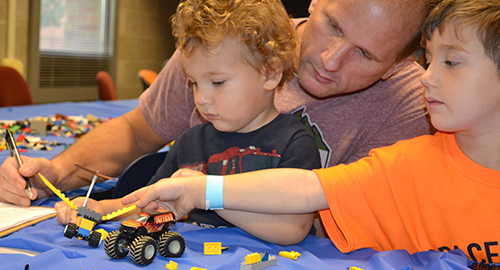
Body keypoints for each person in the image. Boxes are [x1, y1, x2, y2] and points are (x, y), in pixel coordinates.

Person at [122, 0, 500, 263]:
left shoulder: (404, 135)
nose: (428, 78)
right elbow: (307, 189)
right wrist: (200, 188)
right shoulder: (404, 164)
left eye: (451, 62)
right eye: (430, 61)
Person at [0, 0, 434, 208]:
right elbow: (136, 132)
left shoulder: (412, 107)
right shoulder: (228, 46)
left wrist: (204, 191)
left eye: (365, 54)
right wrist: (55, 173)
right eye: (332, 24)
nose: (329, 59)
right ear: (316, 2)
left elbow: (329, 217)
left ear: (402, 62)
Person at [55, 0, 321, 233]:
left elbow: (293, 228)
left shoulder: (295, 143)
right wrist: (100, 208)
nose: (201, 98)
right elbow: (150, 203)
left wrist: (204, 196)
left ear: (270, 73)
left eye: (217, 82)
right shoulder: (190, 143)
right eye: (194, 83)